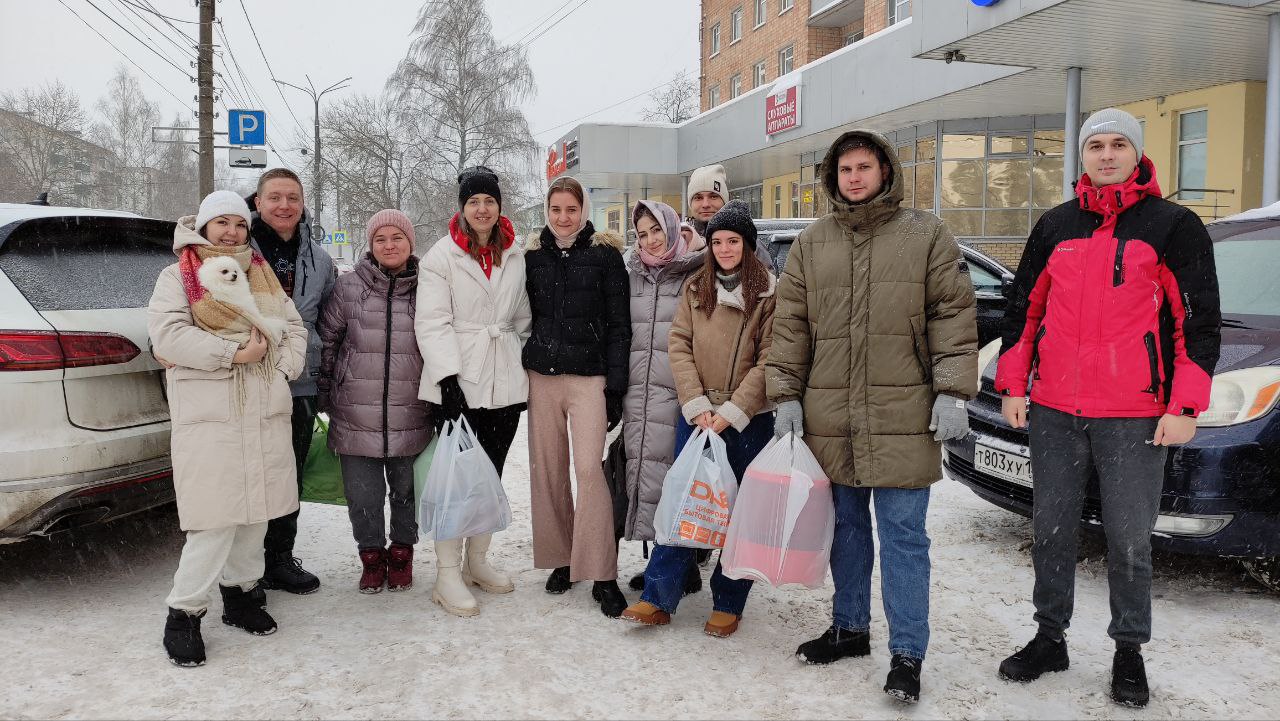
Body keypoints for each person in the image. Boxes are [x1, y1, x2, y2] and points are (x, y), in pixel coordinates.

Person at [993, 108, 1221, 709]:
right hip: (1055, 410)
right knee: (1051, 530)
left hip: (1135, 414)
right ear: (1082, 156)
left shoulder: (1174, 225)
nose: (1107, 154)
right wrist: (1013, 387)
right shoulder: (1055, 225)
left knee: (1128, 540)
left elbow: (1195, 324)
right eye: (1096, 145)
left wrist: (1186, 403)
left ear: (1137, 153)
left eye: (1119, 144)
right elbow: (1024, 313)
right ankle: (1050, 637)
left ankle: (1128, 649)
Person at [766, 130, 978, 704]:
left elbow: (953, 315)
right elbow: (789, 327)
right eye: (845, 170)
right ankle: (850, 628)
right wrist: (784, 393)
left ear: (885, 171)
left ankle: (907, 652)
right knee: (849, 530)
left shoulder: (926, 234)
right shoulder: (813, 243)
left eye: (864, 167)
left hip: (904, 411)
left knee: (905, 536)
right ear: (832, 178)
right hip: (832, 411)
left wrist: (954, 391)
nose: (854, 177)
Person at [149, 191, 308, 667]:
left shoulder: (260, 272)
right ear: (202, 226)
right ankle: (184, 612)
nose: (231, 233)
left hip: (262, 406)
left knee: (255, 512)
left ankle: (240, 596)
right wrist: (233, 354)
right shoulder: (178, 274)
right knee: (214, 519)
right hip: (211, 411)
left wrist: (285, 366)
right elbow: (168, 334)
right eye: (221, 223)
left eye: (238, 224)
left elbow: (293, 326)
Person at [620, 200, 777, 638]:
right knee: (684, 501)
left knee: (738, 511)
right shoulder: (695, 287)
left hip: (747, 419)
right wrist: (697, 404)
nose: (725, 249)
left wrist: (732, 411)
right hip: (699, 415)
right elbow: (679, 346)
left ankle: (729, 600)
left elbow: (769, 360)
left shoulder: (767, 292)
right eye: (718, 242)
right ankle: (658, 596)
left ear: (748, 244)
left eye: (734, 241)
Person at [416, 166, 531, 617]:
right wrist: (447, 379)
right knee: (454, 480)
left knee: (490, 477)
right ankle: (446, 573)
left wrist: (522, 357)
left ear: (499, 206)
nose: (481, 209)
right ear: (462, 209)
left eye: (488, 201)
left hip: (505, 379)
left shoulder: (515, 255)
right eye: (472, 202)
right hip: (458, 380)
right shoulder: (441, 257)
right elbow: (431, 321)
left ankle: (476, 561)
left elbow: (521, 315)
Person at [523, 176, 632, 617]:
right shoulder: (532, 257)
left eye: (571, 209)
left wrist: (616, 388)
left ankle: (602, 572)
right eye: (555, 210)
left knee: (589, 472)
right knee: (547, 470)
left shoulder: (606, 256)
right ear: (546, 212)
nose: (563, 218)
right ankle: (564, 559)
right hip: (543, 377)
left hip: (589, 379)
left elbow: (620, 326)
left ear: (584, 210)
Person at [317, 209, 432, 595]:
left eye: (397, 238)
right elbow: (329, 342)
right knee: (363, 496)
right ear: (370, 245)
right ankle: (370, 557)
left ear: (410, 242)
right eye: (380, 239)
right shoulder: (348, 287)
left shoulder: (427, 287)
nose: (389, 245)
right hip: (354, 410)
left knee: (407, 491)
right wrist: (324, 392)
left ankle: (401, 554)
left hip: (412, 409)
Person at [247, 168, 336, 595]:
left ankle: (279, 558)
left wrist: (325, 377)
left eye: (293, 198)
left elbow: (328, 321)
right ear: (258, 202)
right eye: (275, 198)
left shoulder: (319, 259)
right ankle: (245, 567)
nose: (284, 206)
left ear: (302, 205)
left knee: (289, 474)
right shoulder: (236, 249)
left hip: (299, 382)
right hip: (245, 380)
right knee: (248, 472)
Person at [620, 200, 707, 595]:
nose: (651, 241)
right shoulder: (633, 273)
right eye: (642, 234)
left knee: (676, 476)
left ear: (672, 228)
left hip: (679, 391)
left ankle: (678, 562)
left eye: (657, 230)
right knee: (646, 474)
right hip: (639, 390)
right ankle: (666, 560)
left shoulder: (695, 271)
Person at [686, 164, 774, 272]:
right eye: (698, 197)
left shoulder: (750, 245)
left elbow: (764, 284)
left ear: (724, 201)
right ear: (691, 204)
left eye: (713, 196)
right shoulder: (681, 243)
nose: (705, 204)